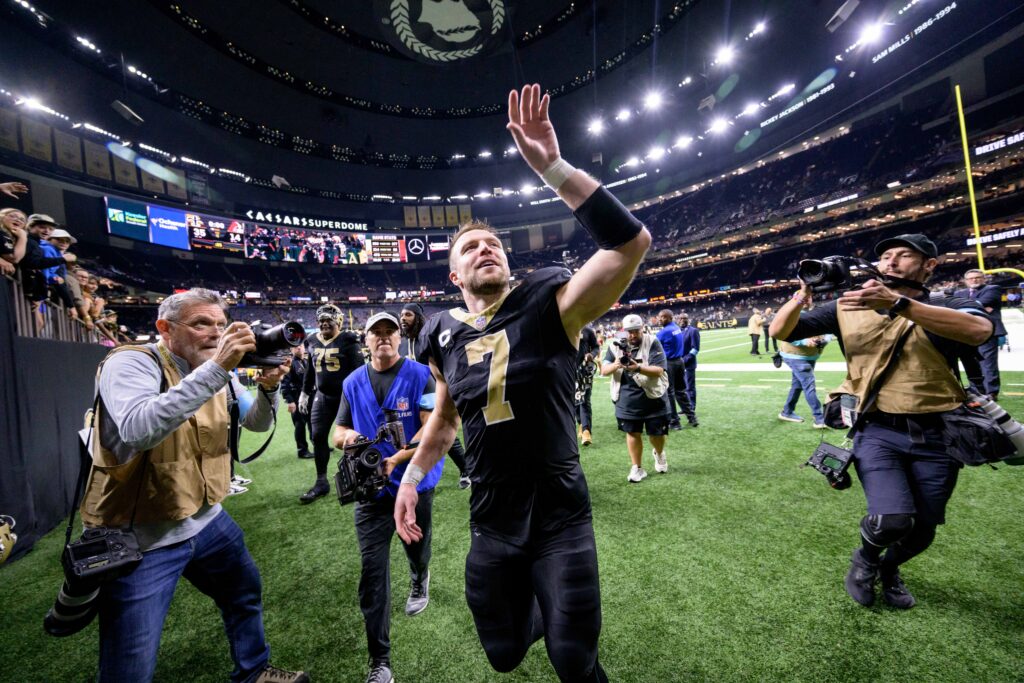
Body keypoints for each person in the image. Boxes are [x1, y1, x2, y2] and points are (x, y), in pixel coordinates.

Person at [394, 83, 651, 682]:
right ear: (452, 272)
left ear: (507, 262)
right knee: (504, 656)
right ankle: (545, 611)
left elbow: (630, 243)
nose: (486, 249)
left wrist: (553, 168)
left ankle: (564, 626)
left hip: (560, 510)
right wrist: (412, 478)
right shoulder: (438, 332)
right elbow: (445, 418)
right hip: (491, 513)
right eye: (471, 248)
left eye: (493, 244)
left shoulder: (549, 302)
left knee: (573, 659)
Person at [79, 288, 308, 682]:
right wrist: (218, 368)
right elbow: (138, 429)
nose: (214, 333)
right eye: (202, 323)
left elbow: (256, 423)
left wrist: (268, 389)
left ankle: (253, 671)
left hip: (206, 519)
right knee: (130, 660)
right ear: (165, 328)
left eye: (220, 324)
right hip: (139, 536)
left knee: (244, 594)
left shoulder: (215, 369)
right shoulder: (131, 362)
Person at [770, 233, 992, 609]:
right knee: (892, 519)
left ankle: (890, 569)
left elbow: (979, 331)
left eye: (903, 256)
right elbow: (780, 331)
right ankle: (866, 561)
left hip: (939, 433)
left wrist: (899, 304)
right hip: (878, 429)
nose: (891, 262)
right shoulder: (848, 306)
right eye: (886, 256)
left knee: (922, 532)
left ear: (929, 265)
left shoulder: (950, 302)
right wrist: (800, 295)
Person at [333, 312, 444, 683]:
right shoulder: (352, 381)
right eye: (375, 332)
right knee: (372, 571)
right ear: (365, 340)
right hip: (371, 491)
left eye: (389, 332)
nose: (383, 337)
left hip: (413, 483)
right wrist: (350, 440)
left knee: (416, 544)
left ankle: (419, 575)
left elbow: (431, 426)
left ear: (399, 338)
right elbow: (338, 430)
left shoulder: (420, 374)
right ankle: (379, 660)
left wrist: (397, 457)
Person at [399, 302, 471, 488]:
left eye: (408, 314)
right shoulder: (404, 341)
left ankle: (466, 469)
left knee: (443, 432)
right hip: (411, 396)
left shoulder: (429, 336)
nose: (403, 318)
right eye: (402, 315)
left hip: (433, 393)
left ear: (417, 316)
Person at [297, 304, 363, 503]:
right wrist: (304, 392)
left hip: (346, 397)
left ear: (339, 322)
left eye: (329, 321)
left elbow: (359, 371)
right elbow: (309, 370)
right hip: (322, 396)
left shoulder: (348, 340)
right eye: (322, 322)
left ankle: (357, 478)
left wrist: (360, 397)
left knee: (350, 438)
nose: (325, 324)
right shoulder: (311, 340)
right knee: (317, 436)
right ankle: (321, 481)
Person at [602, 313, 671, 481]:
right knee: (632, 432)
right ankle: (637, 467)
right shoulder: (615, 346)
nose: (632, 335)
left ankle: (659, 453)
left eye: (636, 331)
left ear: (642, 329)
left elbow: (659, 370)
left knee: (656, 434)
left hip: (653, 395)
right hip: (626, 397)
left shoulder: (652, 341)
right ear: (624, 331)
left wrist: (637, 367)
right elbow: (604, 371)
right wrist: (617, 363)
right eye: (629, 331)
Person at [955, 269, 1005, 399]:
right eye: (970, 278)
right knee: (970, 362)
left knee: (988, 363)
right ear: (965, 281)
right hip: (965, 332)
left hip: (987, 331)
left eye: (977, 277)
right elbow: (953, 307)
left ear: (984, 279)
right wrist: (979, 307)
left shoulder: (993, 288)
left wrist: (964, 307)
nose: (974, 280)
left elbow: (981, 302)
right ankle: (976, 390)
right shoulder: (959, 292)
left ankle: (991, 392)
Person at [777, 334, 833, 428]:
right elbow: (783, 333)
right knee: (809, 386)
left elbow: (829, 331)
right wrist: (804, 341)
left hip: (809, 355)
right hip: (795, 355)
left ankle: (787, 412)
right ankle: (818, 418)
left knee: (797, 385)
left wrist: (826, 339)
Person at [656, 309, 697, 429]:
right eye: (659, 317)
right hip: (680, 362)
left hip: (669, 363)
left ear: (669, 318)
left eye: (662, 317)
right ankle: (692, 417)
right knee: (681, 391)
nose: (660, 319)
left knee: (669, 393)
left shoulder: (664, 332)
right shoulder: (677, 328)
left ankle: (675, 421)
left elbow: (652, 345)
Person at [280, 343, 312, 459]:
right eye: (295, 346)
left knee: (312, 422)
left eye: (301, 346)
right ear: (291, 349)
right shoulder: (290, 363)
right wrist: (290, 401)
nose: (299, 347)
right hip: (296, 398)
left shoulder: (307, 361)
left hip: (309, 398)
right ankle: (302, 450)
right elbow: (284, 383)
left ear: (304, 347)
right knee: (300, 424)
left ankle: (318, 445)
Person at [576, 323, 601, 446]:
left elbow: (596, 347)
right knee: (574, 401)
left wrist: (592, 355)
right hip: (568, 371)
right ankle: (580, 423)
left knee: (585, 400)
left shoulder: (588, 330)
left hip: (584, 370)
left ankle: (586, 431)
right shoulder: (565, 327)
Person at [677, 313, 700, 409]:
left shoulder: (693, 331)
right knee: (681, 388)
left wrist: (685, 360)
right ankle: (685, 408)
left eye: (684, 318)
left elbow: (695, 348)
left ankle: (691, 407)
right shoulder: (677, 331)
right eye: (681, 318)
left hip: (688, 364)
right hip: (678, 364)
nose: (682, 320)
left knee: (689, 387)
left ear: (688, 319)